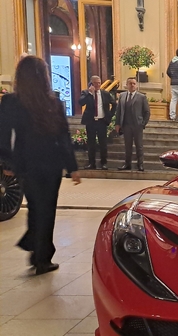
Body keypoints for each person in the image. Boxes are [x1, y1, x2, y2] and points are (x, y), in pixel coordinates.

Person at [0, 56, 81, 275]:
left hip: (28, 164)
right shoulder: (51, 101)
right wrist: (71, 167)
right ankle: (40, 254)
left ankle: (38, 252)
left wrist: (8, 162)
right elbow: (63, 137)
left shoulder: (13, 102)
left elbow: (4, 135)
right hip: (50, 164)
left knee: (38, 208)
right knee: (45, 209)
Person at [79, 75, 116, 170]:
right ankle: (92, 163)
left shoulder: (105, 94)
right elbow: (81, 102)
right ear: (91, 83)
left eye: (99, 83)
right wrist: (90, 93)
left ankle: (104, 163)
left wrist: (109, 116)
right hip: (90, 122)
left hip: (102, 121)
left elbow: (114, 104)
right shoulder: (86, 92)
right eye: (95, 83)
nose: (98, 85)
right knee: (91, 143)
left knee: (103, 143)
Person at [115, 77, 150, 171]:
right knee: (127, 146)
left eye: (134, 83)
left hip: (137, 125)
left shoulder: (141, 97)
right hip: (126, 125)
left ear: (136, 85)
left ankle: (140, 164)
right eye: (130, 83)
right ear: (127, 85)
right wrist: (117, 123)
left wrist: (143, 124)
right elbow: (118, 111)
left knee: (139, 146)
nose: (132, 85)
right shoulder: (122, 96)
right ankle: (127, 164)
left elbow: (147, 112)